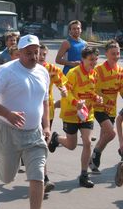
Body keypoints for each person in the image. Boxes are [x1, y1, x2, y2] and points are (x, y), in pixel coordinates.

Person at [0, 34, 50, 209]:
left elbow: (45, 102)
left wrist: (46, 125)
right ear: (19, 53)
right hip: (7, 131)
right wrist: (8, 113)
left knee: (37, 175)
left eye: (36, 52)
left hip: (34, 134)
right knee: (7, 177)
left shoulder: (43, 72)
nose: (33, 57)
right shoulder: (6, 71)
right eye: (28, 53)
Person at [48, 47, 103, 188]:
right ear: (82, 60)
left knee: (87, 142)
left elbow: (91, 92)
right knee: (71, 145)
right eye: (91, 60)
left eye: (96, 60)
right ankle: (56, 138)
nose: (94, 63)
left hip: (86, 114)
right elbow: (66, 93)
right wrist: (75, 103)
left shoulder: (94, 74)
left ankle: (84, 175)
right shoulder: (73, 73)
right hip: (70, 114)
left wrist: (96, 98)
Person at [38, 44, 68, 193]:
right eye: (39, 54)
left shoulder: (51, 69)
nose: (41, 57)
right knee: (38, 145)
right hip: (29, 112)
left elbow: (63, 82)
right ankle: (43, 177)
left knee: (42, 144)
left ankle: (44, 179)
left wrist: (63, 90)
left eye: (44, 54)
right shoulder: (26, 68)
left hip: (47, 111)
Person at [89, 40, 122, 173]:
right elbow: (90, 87)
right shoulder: (98, 70)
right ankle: (96, 154)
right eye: (113, 53)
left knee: (105, 136)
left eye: (118, 53)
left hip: (112, 109)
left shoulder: (120, 71)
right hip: (99, 108)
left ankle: (92, 162)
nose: (116, 56)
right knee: (111, 133)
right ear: (106, 54)